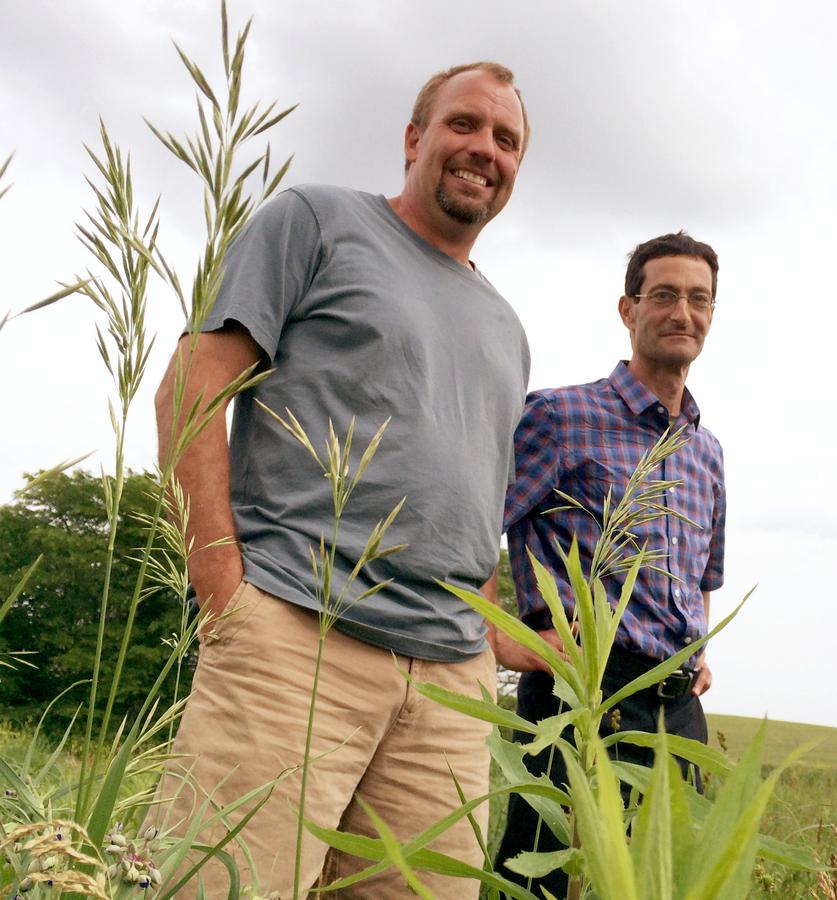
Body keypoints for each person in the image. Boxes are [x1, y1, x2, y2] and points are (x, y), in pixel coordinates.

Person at [153, 61, 530, 899]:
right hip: (296, 637)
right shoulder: (316, 222)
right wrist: (223, 588)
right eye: (463, 124)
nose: (484, 149)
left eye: (506, 139)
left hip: (448, 688)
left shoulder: (508, 327)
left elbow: (471, 498)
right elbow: (190, 386)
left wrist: (495, 637)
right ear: (413, 138)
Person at [495, 232, 726, 896]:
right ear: (628, 310)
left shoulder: (707, 451)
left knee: (665, 882)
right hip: (582, 689)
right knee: (542, 877)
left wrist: (699, 648)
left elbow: (704, 570)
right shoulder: (561, 416)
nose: (683, 312)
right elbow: (475, 515)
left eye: (699, 299)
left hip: (677, 706)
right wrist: (493, 637)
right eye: (664, 295)